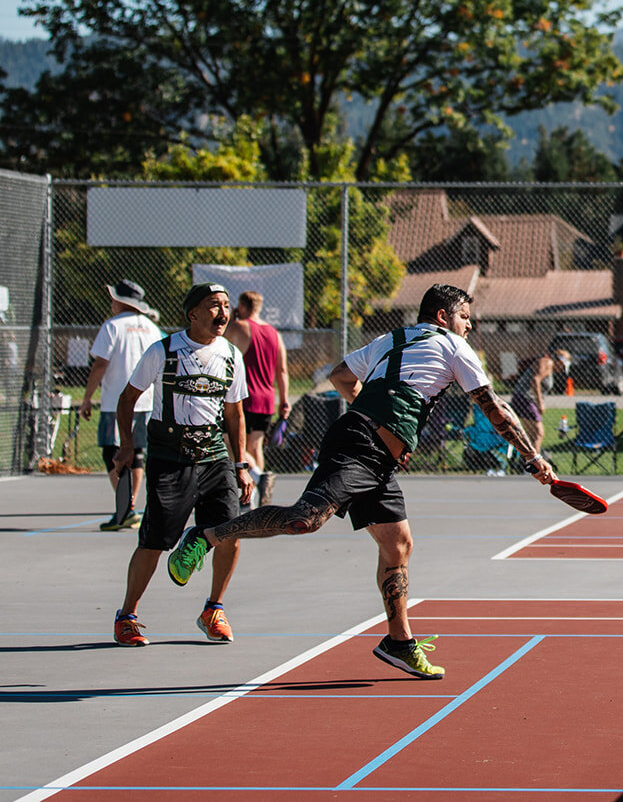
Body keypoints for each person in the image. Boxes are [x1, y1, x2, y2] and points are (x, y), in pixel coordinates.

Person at [165, 283, 555, 681]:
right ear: (443, 317)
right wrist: (533, 457)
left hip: (377, 457)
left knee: (397, 542)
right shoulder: (452, 346)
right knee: (306, 519)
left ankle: (399, 642)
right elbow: (494, 407)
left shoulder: (392, 338)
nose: (469, 326)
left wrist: (377, 417)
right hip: (358, 447)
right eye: (465, 317)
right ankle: (207, 535)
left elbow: (340, 376)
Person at [111, 283, 252, 647]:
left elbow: (235, 413)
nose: (222, 313)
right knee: (155, 540)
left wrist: (241, 464)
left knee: (230, 531)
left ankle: (214, 610)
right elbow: (127, 400)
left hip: (214, 456)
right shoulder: (163, 351)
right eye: (212, 306)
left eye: (225, 306)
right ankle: (127, 616)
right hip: (170, 457)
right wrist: (127, 446)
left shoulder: (233, 356)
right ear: (192, 314)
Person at [82, 280, 164, 531]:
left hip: (116, 402)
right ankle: (129, 507)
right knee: (137, 453)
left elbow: (99, 364)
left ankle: (126, 508)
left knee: (113, 453)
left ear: (121, 302)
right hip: (146, 401)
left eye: (113, 298)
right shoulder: (152, 328)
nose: (111, 302)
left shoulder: (112, 326)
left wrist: (87, 398)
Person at [224, 291, 290, 507]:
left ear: (241, 306)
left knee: (233, 443)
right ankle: (255, 496)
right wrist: (284, 399)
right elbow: (282, 370)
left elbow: (222, 351)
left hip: (245, 396)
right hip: (266, 397)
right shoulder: (274, 333)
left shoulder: (240, 327)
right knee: (255, 447)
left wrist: (233, 320)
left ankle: (257, 479)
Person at [508, 348, 570, 449]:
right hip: (525, 399)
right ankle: (533, 463)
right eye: (562, 366)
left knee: (531, 435)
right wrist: (540, 403)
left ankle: (525, 461)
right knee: (538, 433)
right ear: (559, 361)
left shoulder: (549, 366)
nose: (561, 369)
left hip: (525, 400)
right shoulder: (548, 363)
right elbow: (535, 380)